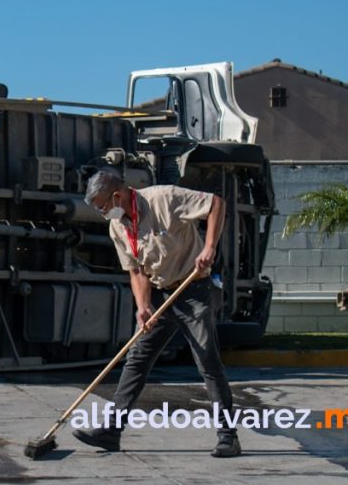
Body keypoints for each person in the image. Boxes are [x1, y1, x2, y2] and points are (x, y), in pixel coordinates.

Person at [75, 170, 241, 458]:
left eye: (102, 206)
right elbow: (136, 269)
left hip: (194, 288)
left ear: (117, 195)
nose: (102, 212)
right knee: (137, 359)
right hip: (163, 293)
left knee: (206, 359)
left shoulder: (164, 198)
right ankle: (112, 431)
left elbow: (216, 203)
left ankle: (229, 437)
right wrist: (143, 306)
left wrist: (210, 247)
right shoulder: (117, 226)